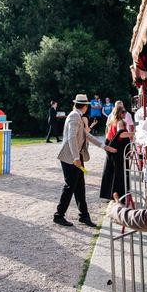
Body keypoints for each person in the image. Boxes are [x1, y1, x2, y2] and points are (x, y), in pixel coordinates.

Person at [54, 93, 117, 227]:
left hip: (76, 157)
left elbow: (86, 135)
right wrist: (76, 158)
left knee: (79, 186)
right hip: (71, 157)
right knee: (71, 186)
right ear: (85, 107)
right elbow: (71, 138)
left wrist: (104, 146)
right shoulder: (74, 116)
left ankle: (84, 215)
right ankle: (59, 215)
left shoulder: (77, 116)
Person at [99, 106, 134, 200]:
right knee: (118, 172)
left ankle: (113, 194)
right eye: (123, 111)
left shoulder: (113, 121)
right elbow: (121, 134)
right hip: (118, 151)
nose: (125, 113)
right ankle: (117, 194)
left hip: (113, 149)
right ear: (119, 113)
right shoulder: (120, 122)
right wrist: (134, 133)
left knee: (113, 171)